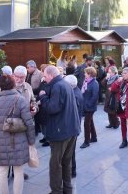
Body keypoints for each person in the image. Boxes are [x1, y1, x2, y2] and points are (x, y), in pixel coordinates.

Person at [0, 75, 35, 194]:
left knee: (2, 172)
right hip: (19, 141)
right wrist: (31, 141)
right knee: (18, 171)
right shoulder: (20, 100)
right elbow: (29, 123)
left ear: (0, 86)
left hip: (0, 142)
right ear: (13, 85)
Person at [39, 65, 80, 194]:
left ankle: (56, 191)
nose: (44, 79)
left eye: (45, 76)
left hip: (61, 132)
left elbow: (52, 108)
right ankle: (67, 189)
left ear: (51, 75)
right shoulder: (65, 83)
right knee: (66, 161)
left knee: (55, 164)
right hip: (70, 129)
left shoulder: (58, 86)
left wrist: (43, 96)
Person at [63, 75, 83, 178]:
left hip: (72, 128)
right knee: (71, 151)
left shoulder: (74, 95)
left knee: (70, 151)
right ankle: (72, 170)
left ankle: (72, 171)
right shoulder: (76, 91)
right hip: (74, 126)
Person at [79, 67, 99, 149]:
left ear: (90, 74)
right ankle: (94, 137)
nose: (84, 74)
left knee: (86, 123)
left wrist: (87, 105)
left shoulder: (94, 83)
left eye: (86, 73)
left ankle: (86, 141)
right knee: (90, 121)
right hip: (86, 105)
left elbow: (94, 97)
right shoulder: (86, 81)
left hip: (90, 107)